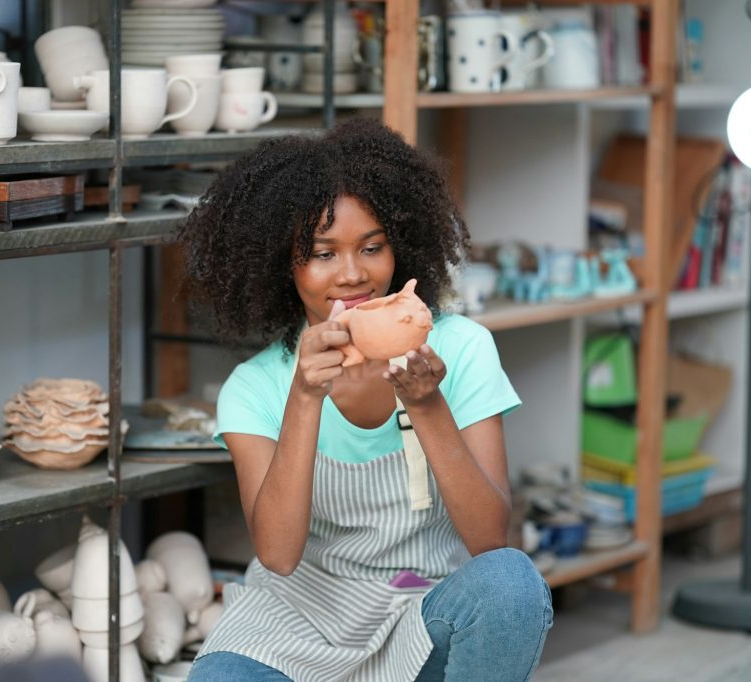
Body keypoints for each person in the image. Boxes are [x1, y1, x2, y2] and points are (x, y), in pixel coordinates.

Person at [178, 118, 552, 681]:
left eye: (371, 247)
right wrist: (305, 396)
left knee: (511, 582)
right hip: (297, 619)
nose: (353, 276)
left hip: (419, 612)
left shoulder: (461, 348)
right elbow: (278, 556)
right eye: (323, 254)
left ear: (399, 247)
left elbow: (489, 539)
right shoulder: (254, 388)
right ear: (284, 263)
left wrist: (427, 406)